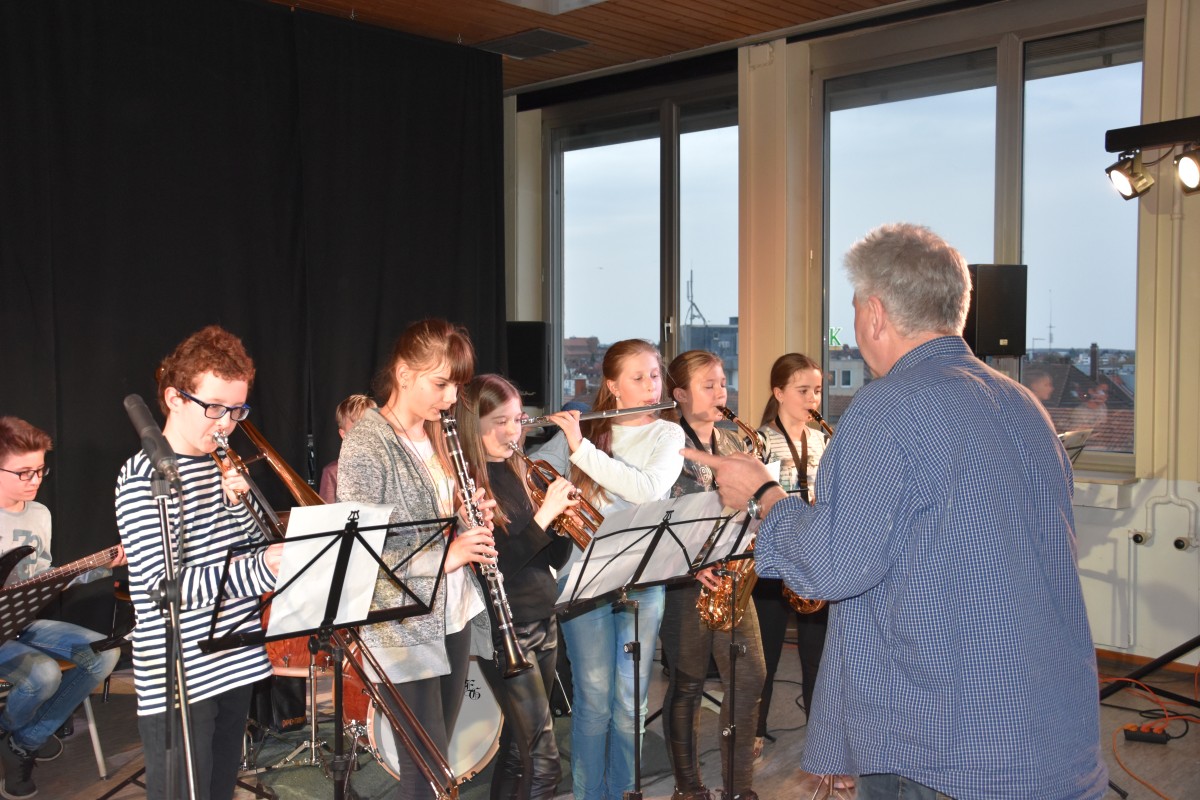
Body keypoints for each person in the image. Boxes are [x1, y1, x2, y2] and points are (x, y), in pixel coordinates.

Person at [684, 223, 1107, 800]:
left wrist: (764, 495)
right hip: (1047, 724)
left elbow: (831, 568)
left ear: (876, 314)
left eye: (855, 306)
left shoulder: (887, 406)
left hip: (947, 742)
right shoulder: (1022, 402)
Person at [114, 325, 284, 800]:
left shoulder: (218, 464)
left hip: (233, 656)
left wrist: (239, 507)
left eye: (237, 410)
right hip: (181, 672)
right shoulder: (146, 476)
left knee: (218, 788)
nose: (226, 423)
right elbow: (163, 585)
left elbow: (250, 545)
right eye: (215, 408)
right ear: (174, 398)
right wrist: (262, 568)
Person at [335, 318, 495, 800]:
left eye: (457, 386)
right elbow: (363, 553)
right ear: (404, 374)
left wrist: (466, 516)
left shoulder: (439, 433)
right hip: (401, 624)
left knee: (438, 763)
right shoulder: (368, 444)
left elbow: (433, 521)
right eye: (441, 384)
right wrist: (448, 556)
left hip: (453, 612)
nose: (451, 398)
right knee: (424, 772)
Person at [531, 338, 684, 800]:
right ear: (613, 386)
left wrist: (579, 450)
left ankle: (624, 793)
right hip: (585, 580)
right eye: (638, 378)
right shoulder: (587, 430)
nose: (651, 385)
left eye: (654, 375)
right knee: (594, 702)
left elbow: (647, 489)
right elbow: (531, 473)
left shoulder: (668, 434)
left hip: (642, 582)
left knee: (631, 703)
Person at [453, 374, 578, 800]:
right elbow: (498, 564)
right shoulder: (469, 486)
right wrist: (544, 517)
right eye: (500, 421)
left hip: (543, 614)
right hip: (507, 629)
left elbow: (551, 559)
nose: (513, 431)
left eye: (518, 419)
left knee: (515, 750)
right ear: (473, 424)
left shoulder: (519, 469)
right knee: (544, 763)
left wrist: (561, 521)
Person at [659, 351, 765, 800]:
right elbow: (657, 519)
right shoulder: (665, 446)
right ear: (680, 394)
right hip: (685, 583)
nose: (722, 392)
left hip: (732, 576)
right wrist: (691, 563)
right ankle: (689, 788)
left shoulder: (734, 443)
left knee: (750, 677)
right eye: (709, 385)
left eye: (723, 383)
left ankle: (739, 788)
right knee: (687, 685)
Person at [0, 417, 123, 800]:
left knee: (104, 653)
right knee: (43, 674)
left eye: (40, 470)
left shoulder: (39, 514)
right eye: (23, 472)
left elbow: (46, 578)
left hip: (22, 622)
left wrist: (103, 565)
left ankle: (21, 741)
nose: (34, 480)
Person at [749, 353, 852, 791]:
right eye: (803, 390)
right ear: (778, 393)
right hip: (774, 563)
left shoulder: (823, 438)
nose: (813, 399)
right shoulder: (759, 441)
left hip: (814, 560)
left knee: (819, 659)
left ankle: (824, 745)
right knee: (766, 656)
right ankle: (754, 731)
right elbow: (749, 504)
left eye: (817, 390)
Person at [317, 393, 377, 503]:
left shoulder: (390, 467)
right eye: (357, 428)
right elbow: (327, 512)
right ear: (343, 434)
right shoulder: (333, 472)